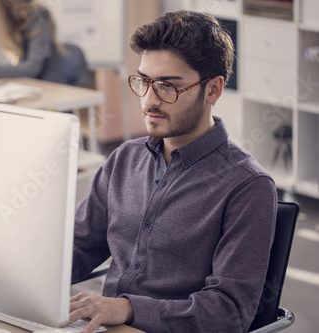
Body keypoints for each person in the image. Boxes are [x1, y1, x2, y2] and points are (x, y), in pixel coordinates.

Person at [69, 10, 277, 333]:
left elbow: (229, 311)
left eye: (168, 86)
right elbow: (79, 247)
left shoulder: (248, 186)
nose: (149, 100)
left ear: (213, 90)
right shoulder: (124, 159)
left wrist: (127, 308)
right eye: (144, 81)